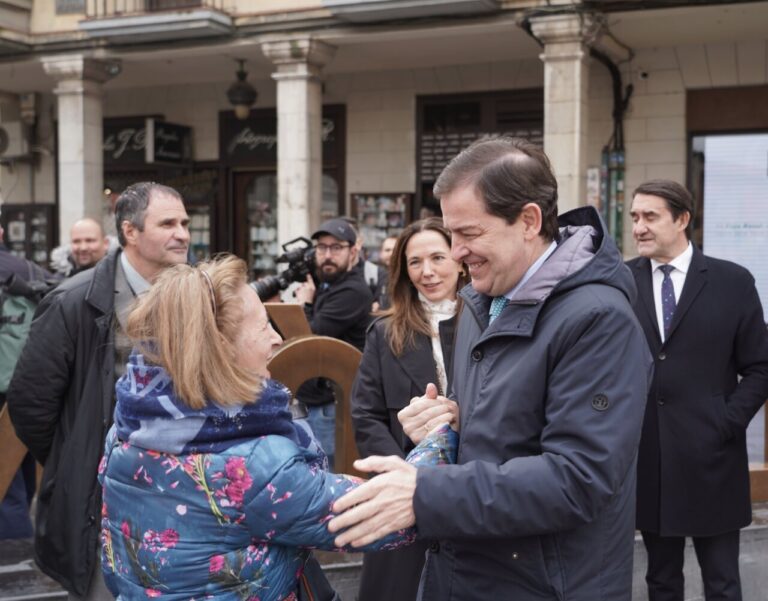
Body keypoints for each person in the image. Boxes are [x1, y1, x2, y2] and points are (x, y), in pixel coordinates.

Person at [328, 136, 653, 600]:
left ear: (528, 221)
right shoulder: (485, 301)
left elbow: (579, 478)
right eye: (451, 233)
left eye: (469, 233)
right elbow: (514, 424)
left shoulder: (598, 319)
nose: (456, 251)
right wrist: (452, 421)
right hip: (474, 573)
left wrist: (424, 493)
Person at [97, 255, 458, 600]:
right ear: (221, 348)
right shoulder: (251, 467)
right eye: (263, 325)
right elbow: (385, 516)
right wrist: (442, 434)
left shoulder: (130, 427)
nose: (276, 338)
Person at [7, 182, 190, 599]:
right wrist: (78, 455)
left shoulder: (198, 295)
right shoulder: (73, 301)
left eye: (184, 222)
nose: (182, 232)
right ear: (130, 231)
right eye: (167, 223)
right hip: (103, 508)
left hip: (183, 504)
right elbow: (31, 404)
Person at [627, 179, 768, 601]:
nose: (639, 227)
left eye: (650, 216)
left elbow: (760, 366)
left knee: (723, 582)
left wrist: (725, 421)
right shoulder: (621, 281)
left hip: (714, 458)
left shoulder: (732, 281)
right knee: (661, 580)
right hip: (649, 457)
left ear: (682, 219)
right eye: (635, 217)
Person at [351, 218, 465, 601]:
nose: (427, 271)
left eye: (437, 257)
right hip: (402, 488)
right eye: (415, 262)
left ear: (461, 260)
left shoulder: (485, 323)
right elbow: (365, 416)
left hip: (471, 486)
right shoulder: (384, 332)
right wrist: (406, 474)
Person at [293, 218, 373, 468]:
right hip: (316, 399)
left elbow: (311, 339)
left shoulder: (352, 291)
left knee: (326, 473)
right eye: (322, 247)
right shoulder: (329, 285)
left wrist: (304, 305)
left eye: (336, 248)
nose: (327, 255)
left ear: (353, 251)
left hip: (330, 404)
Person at [0, 222, 53, 540]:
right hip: (30, 388)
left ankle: (11, 566)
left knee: (6, 491)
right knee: (22, 479)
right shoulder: (34, 271)